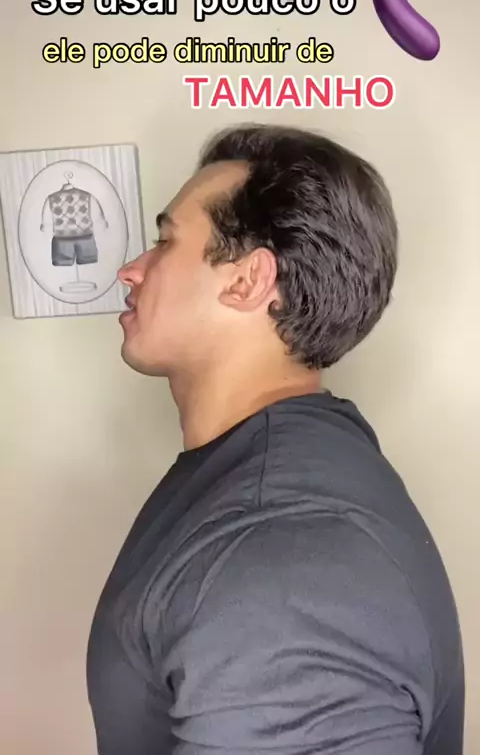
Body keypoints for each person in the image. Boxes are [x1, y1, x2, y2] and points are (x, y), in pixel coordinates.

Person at [86, 124, 464, 755]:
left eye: (165, 241)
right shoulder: (279, 466)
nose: (131, 270)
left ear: (246, 281)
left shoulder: (282, 556)